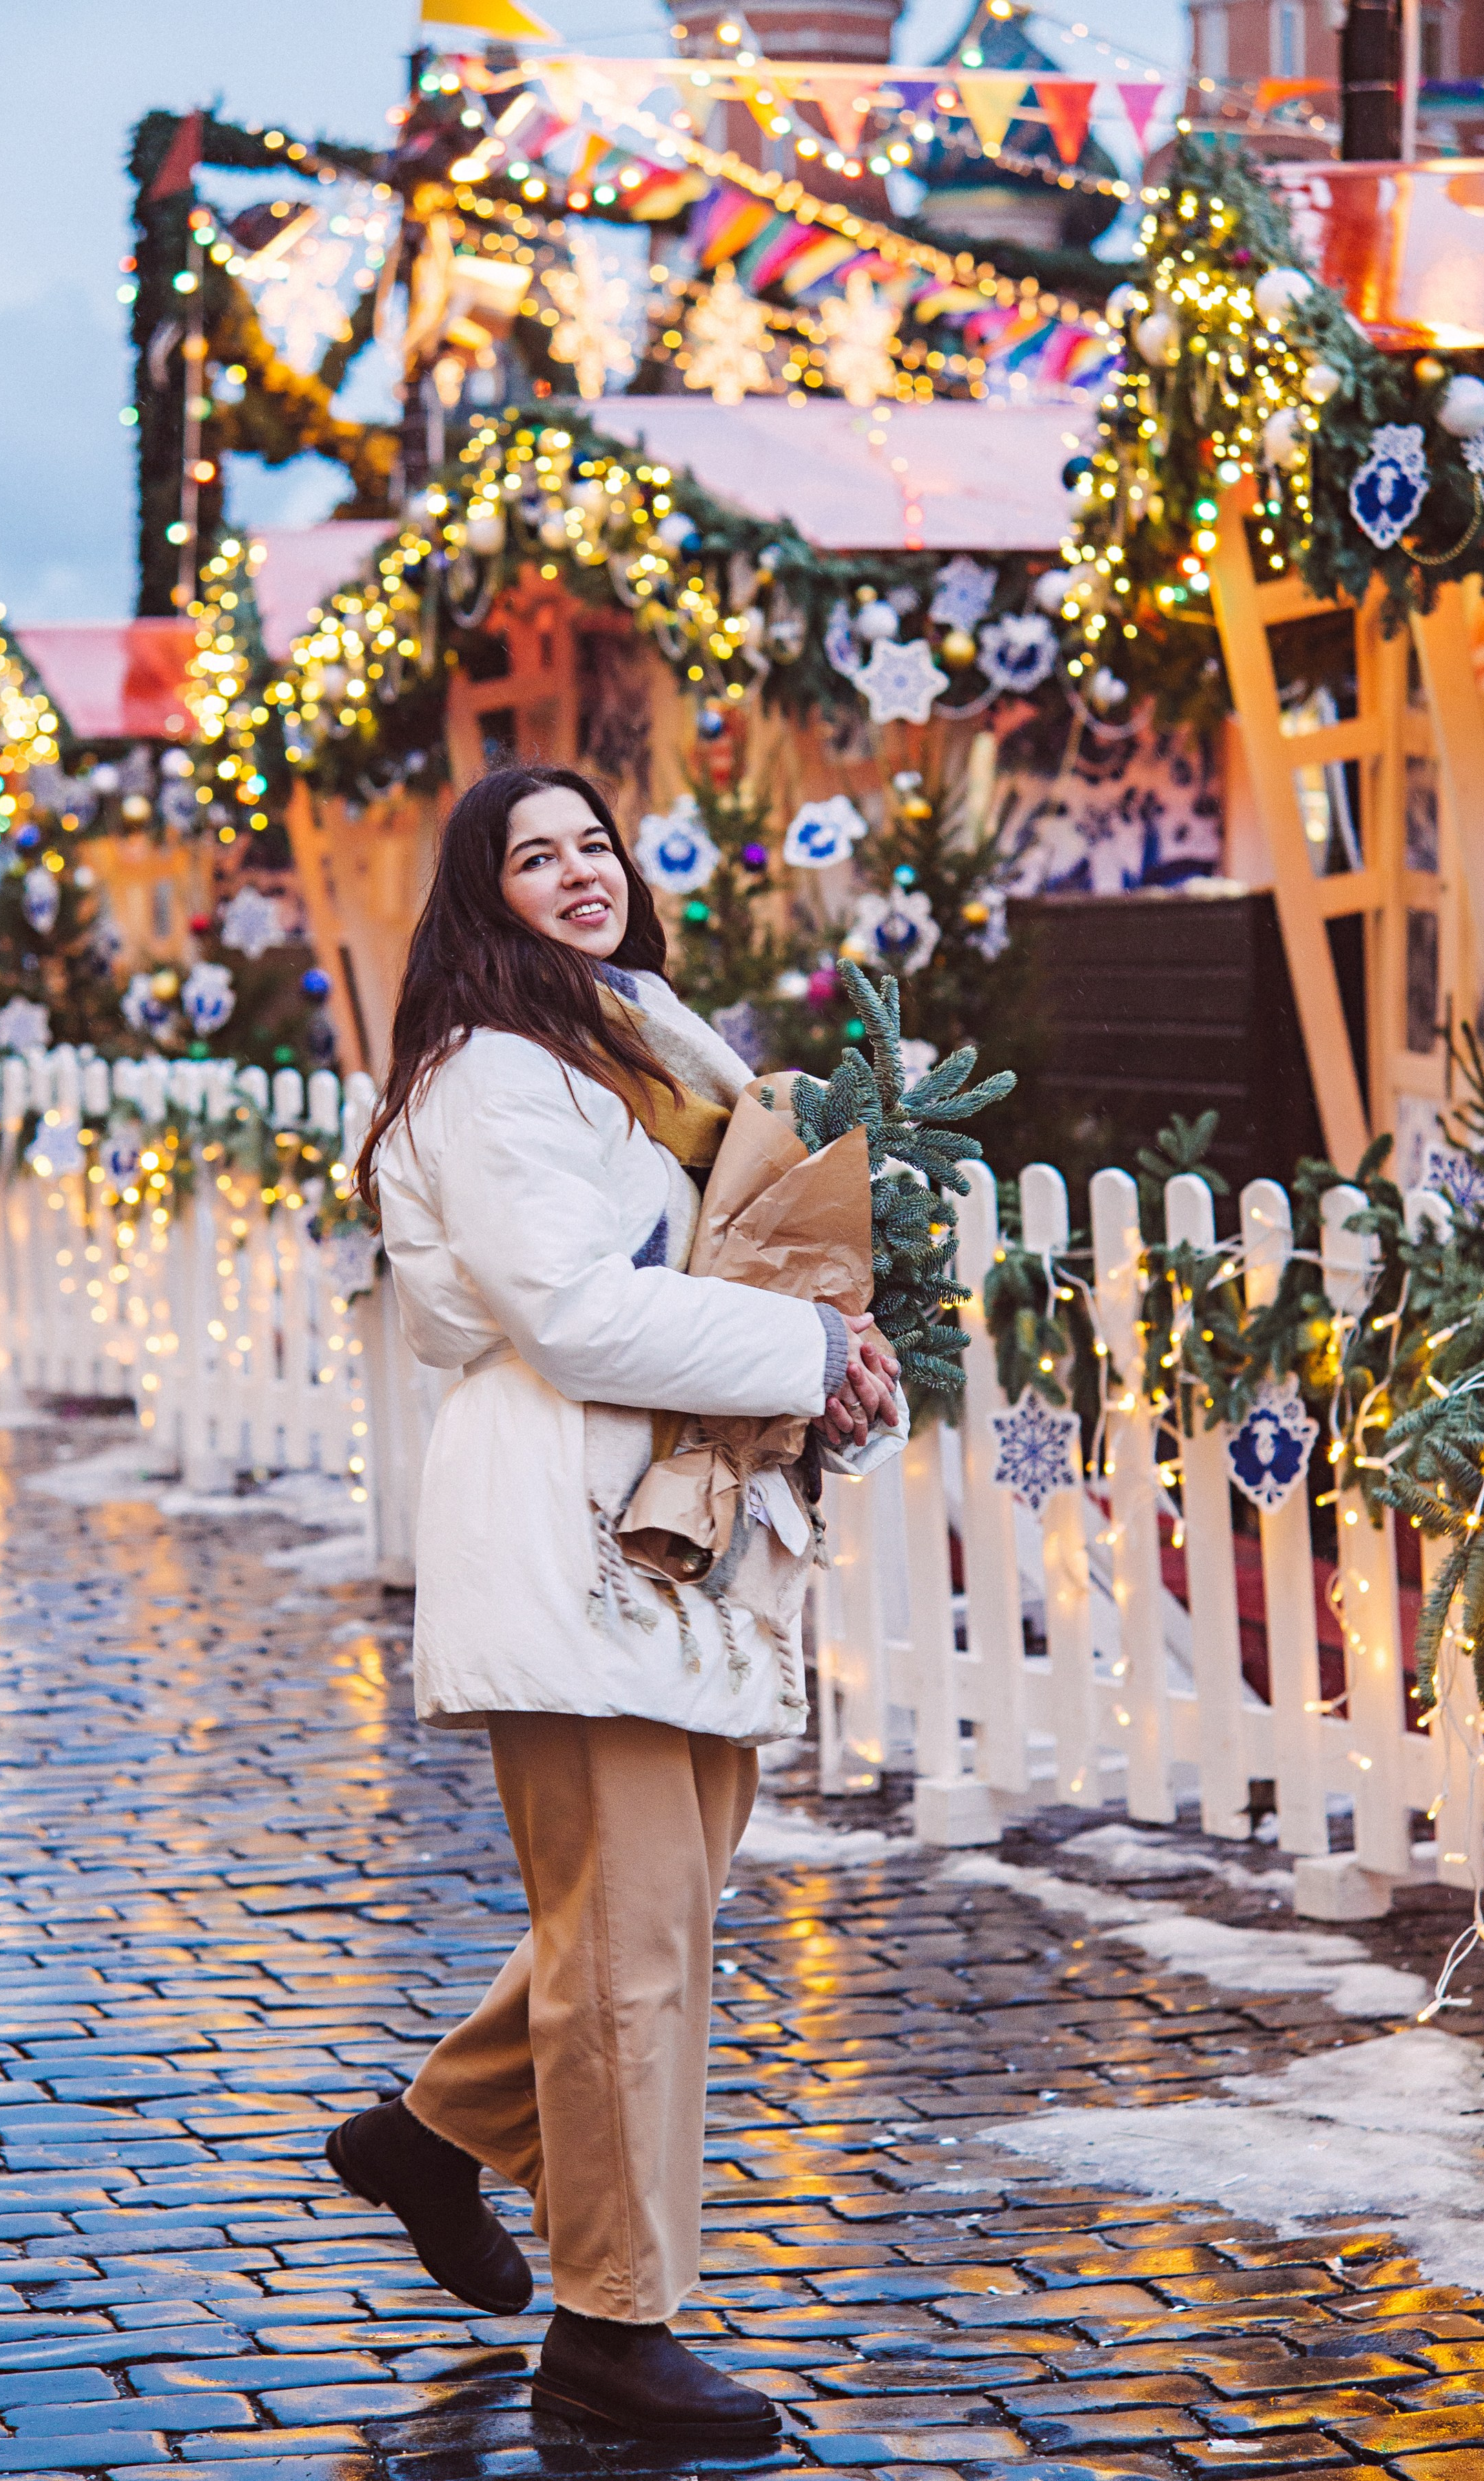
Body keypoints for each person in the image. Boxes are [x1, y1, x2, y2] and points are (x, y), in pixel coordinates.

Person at [327, 763, 903, 2450]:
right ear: (479, 893)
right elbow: (574, 1317)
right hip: (571, 1520)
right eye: (535, 856)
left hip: (674, 1521)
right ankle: (613, 2329)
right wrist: (800, 1348)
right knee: (634, 1951)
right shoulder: (496, 1074)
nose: (578, 873)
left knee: (641, 1918)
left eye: (596, 845)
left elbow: (743, 1256)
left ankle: (431, 2139)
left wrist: (834, 1349)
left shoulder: (642, 1033)